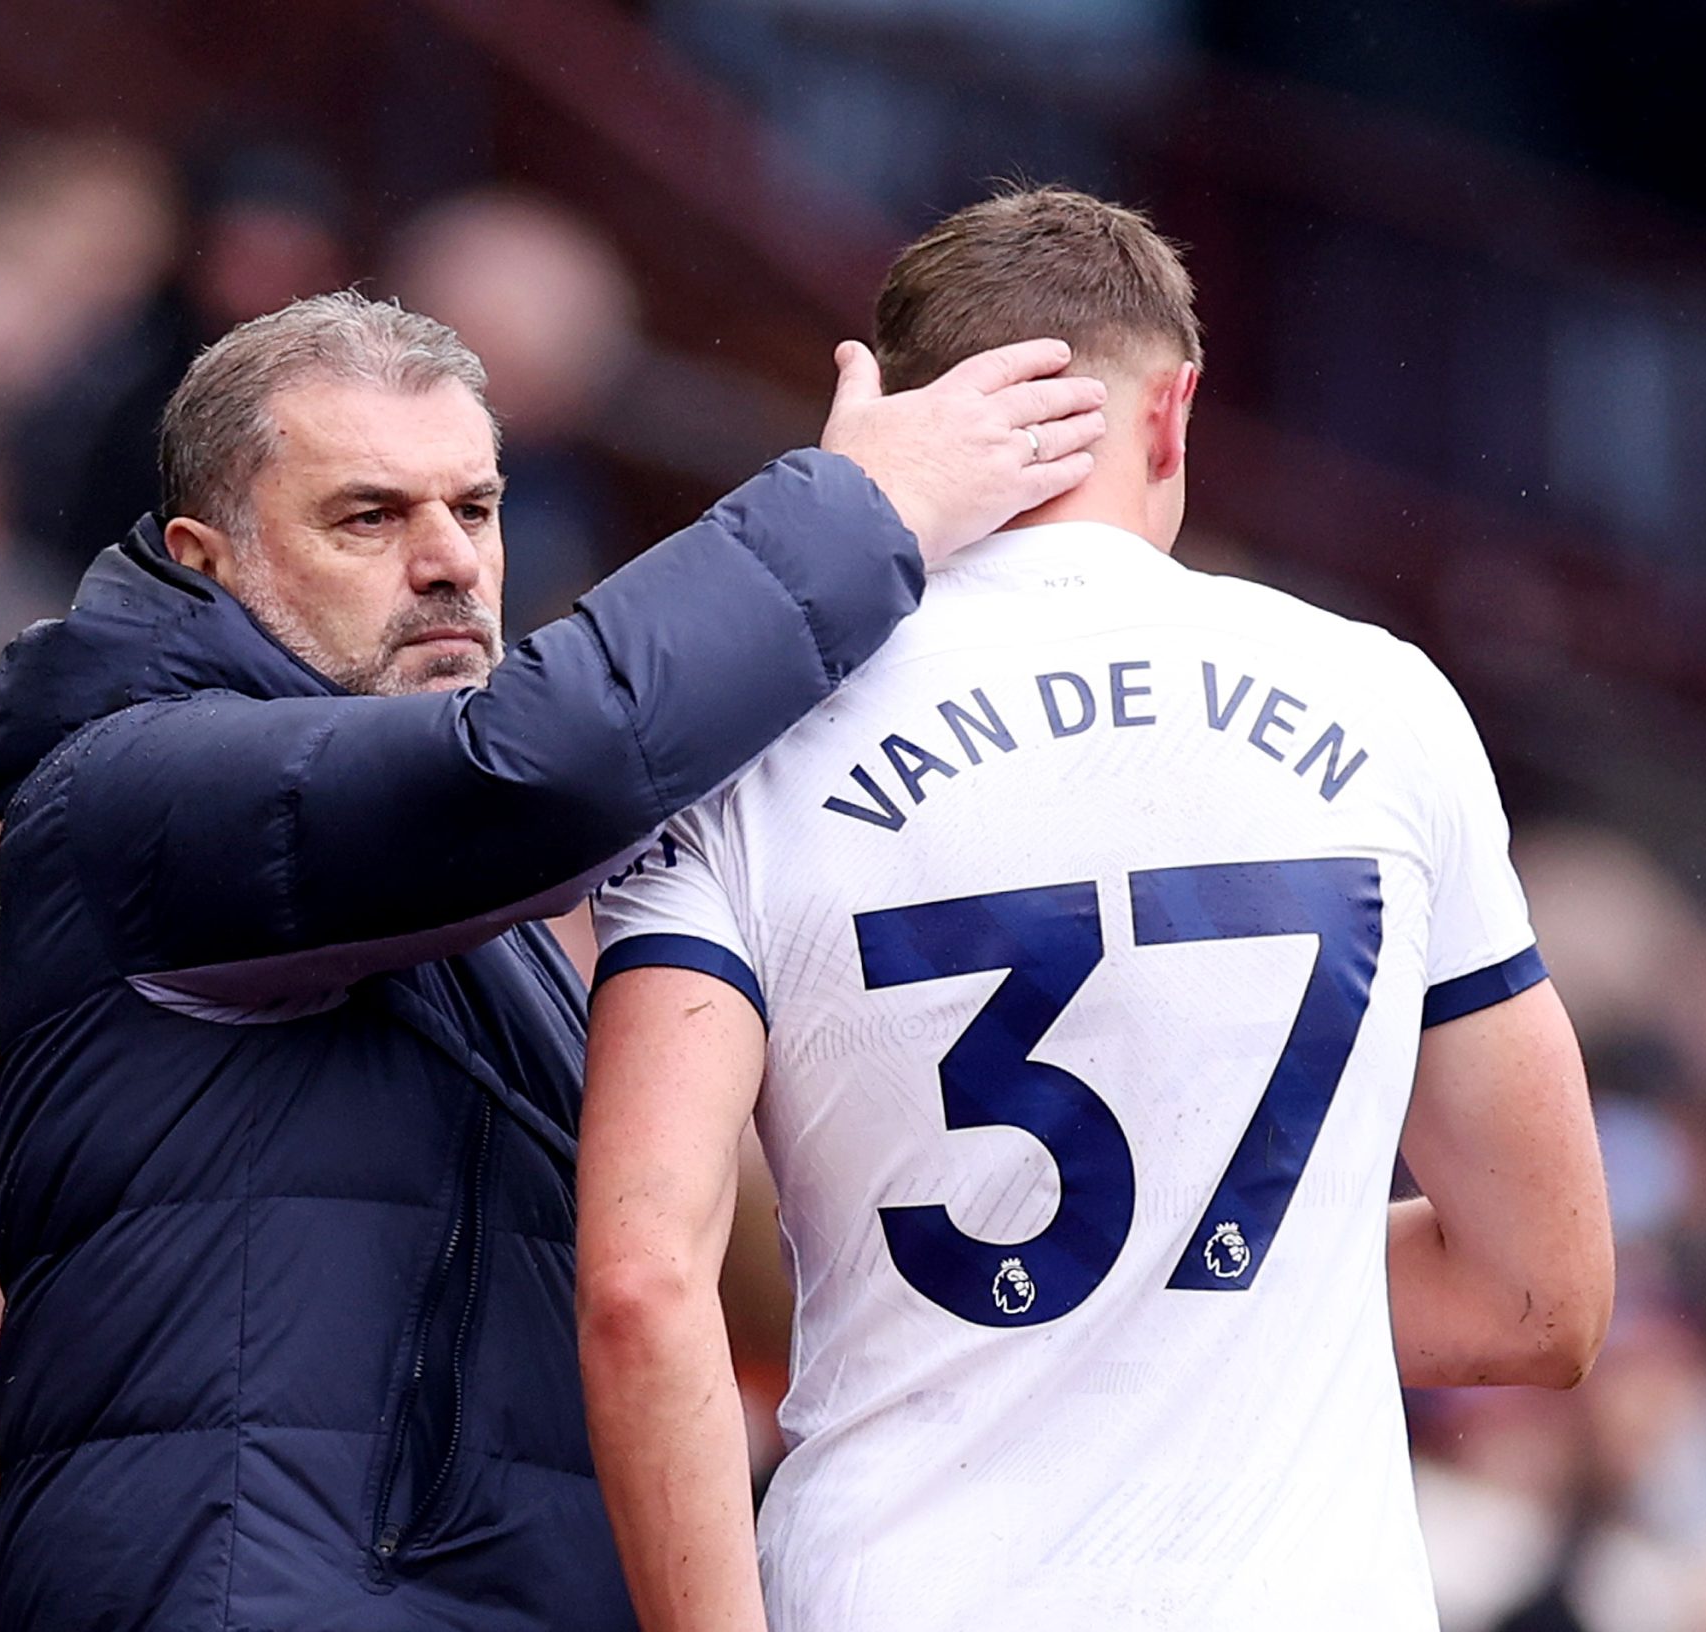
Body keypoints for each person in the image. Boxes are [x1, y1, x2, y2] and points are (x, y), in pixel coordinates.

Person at [0, 287, 1104, 1631]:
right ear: (203, 560)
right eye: (370, 516)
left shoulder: (449, 898)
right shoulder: (134, 790)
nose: (450, 559)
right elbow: (550, 766)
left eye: (477, 507)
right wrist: (863, 505)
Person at [575, 188, 1615, 1631]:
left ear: (874, 410)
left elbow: (640, 1283)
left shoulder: (744, 735)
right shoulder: (1385, 702)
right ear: (1173, 412)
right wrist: (1218, 1296)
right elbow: (1539, 1295)